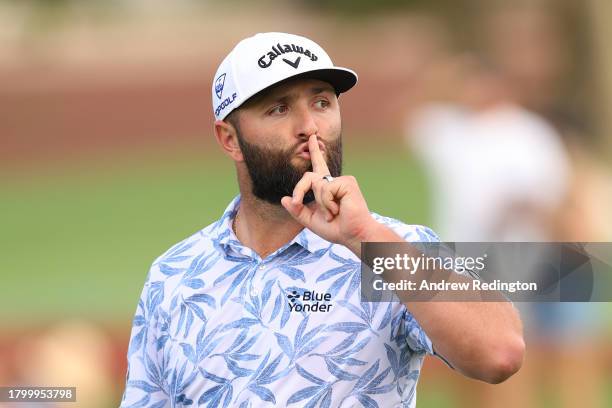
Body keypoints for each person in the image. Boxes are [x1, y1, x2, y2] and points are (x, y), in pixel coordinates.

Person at [120, 32, 524, 408]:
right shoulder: (175, 276)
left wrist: (366, 237)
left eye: (322, 103)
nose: (309, 128)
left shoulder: (390, 249)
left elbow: (500, 353)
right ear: (229, 139)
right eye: (278, 109)